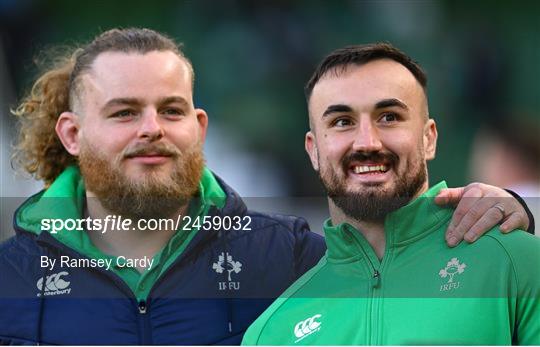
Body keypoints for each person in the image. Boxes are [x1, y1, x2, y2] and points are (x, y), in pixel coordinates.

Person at [0, 29, 533, 345]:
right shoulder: (10, 276)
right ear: (72, 133)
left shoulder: (289, 256)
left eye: (170, 110)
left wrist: (519, 206)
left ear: (200, 127)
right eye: (123, 112)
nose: (150, 129)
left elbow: (391, 257)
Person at [242, 43, 540, 345]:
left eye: (389, 117)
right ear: (314, 150)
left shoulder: (517, 263)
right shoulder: (270, 332)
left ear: (429, 138)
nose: (367, 142)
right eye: (342, 122)